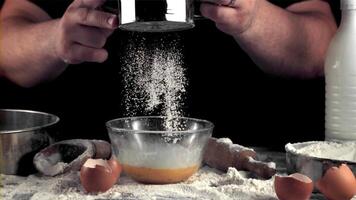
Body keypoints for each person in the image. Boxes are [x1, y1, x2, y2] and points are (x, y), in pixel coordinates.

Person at [0, 0, 339, 148]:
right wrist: (55, 39)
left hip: (246, 167)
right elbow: (7, 39)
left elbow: (321, 45)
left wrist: (252, 19)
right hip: (79, 170)